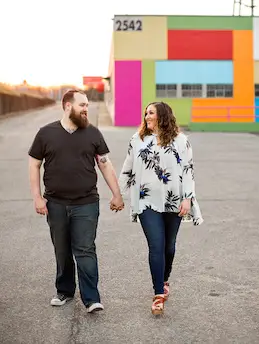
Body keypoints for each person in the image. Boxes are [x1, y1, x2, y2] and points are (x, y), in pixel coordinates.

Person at [28, 89, 125, 314]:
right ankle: (64, 291)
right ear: (68, 106)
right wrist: (37, 197)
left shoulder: (92, 133)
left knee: (85, 249)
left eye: (87, 105)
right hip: (55, 203)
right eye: (82, 105)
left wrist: (117, 194)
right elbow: (34, 164)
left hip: (86, 202)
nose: (86, 109)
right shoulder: (45, 133)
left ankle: (91, 298)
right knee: (62, 250)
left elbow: (104, 163)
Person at [118, 101, 203, 315]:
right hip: (147, 201)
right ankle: (158, 294)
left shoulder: (181, 141)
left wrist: (187, 199)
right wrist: (119, 194)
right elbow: (127, 169)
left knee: (169, 246)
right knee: (156, 245)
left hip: (174, 201)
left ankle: (164, 280)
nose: (147, 117)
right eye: (146, 113)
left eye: (151, 113)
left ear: (163, 116)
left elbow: (188, 171)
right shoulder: (137, 140)